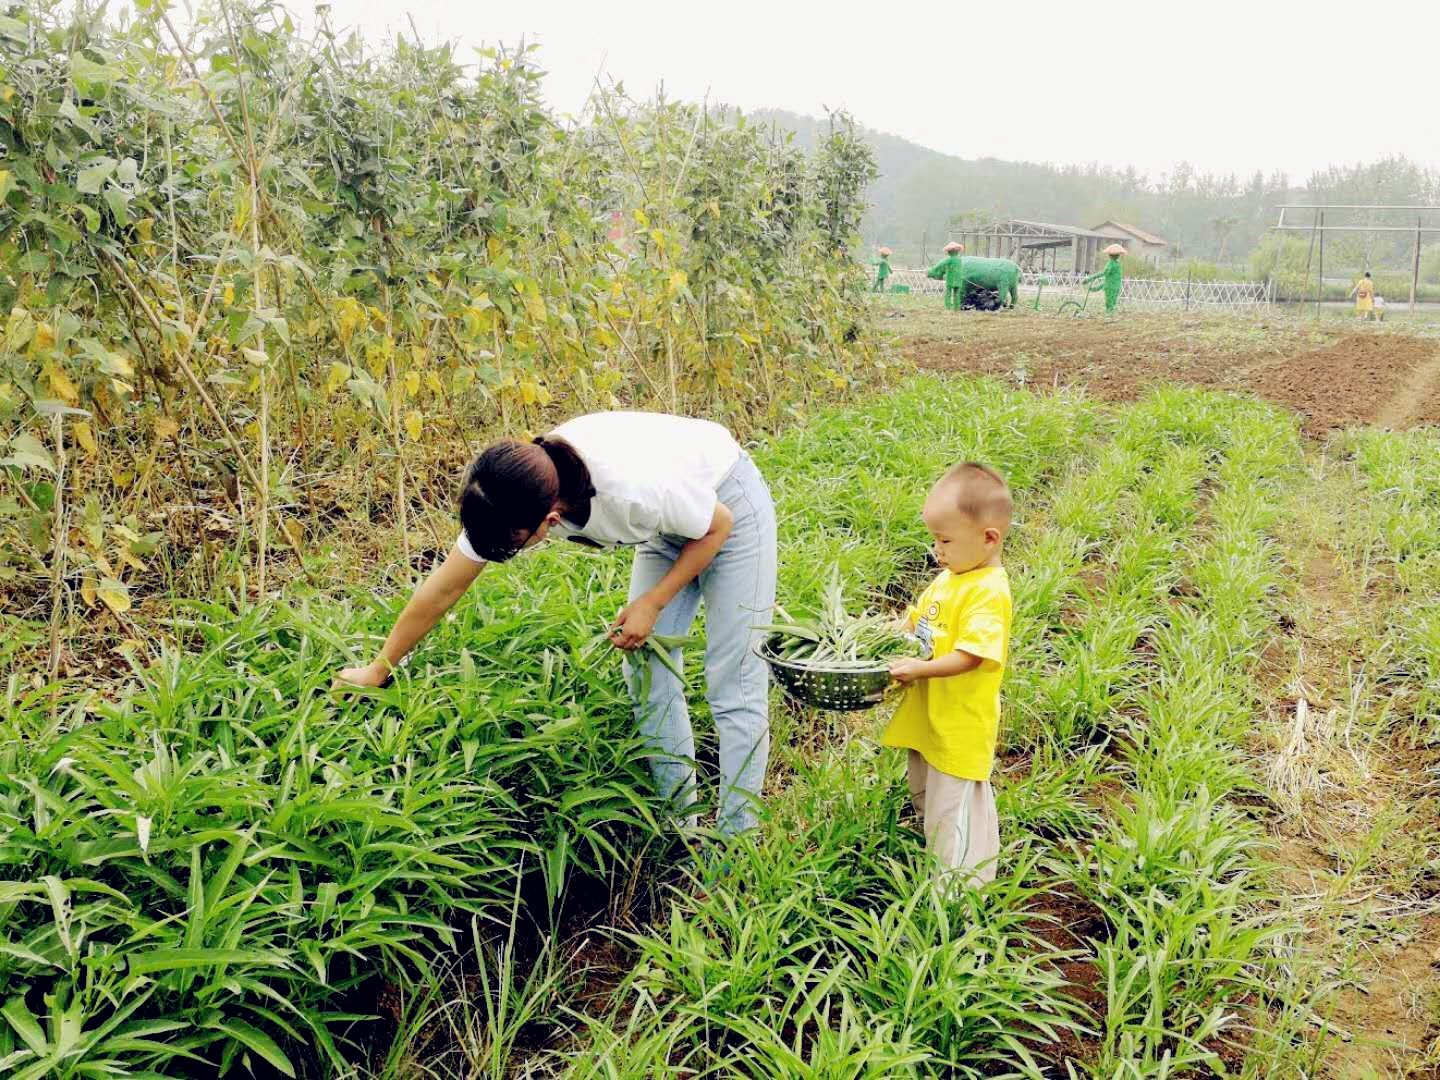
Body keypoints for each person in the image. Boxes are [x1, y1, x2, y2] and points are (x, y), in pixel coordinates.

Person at [335, 412, 778, 837]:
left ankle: (733, 847)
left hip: (726, 503)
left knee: (734, 683)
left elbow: (716, 526)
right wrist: (379, 667)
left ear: (550, 521)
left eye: (516, 545)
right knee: (645, 669)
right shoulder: (510, 494)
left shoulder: (626, 492)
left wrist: (653, 602)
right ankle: (681, 826)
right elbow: (442, 591)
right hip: (667, 522)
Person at [881, 462, 1013, 886]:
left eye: (945, 540)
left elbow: (972, 655)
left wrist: (921, 668)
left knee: (954, 810)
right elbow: (916, 622)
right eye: (935, 539)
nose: (937, 550)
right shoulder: (948, 578)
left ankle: (959, 894)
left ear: (988, 538)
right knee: (929, 800)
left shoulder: (988, 591)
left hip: (958, 725)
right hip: (929, 720)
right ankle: (938, 864)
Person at [1084, 243, 1126, 313]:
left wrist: (1089, 279)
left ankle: (1108, 316)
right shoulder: (1118, 265)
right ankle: (1110, 316)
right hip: (1116, 287)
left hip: (1110, 287)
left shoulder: (1111, 264)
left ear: (1109, 256)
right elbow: (1111, 278)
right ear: (1118, 256)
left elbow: (1103, 273)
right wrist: (1095, 287)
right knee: (1112, 303)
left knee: (1109, 304)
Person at [926, 241, 967, 310]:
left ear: (949, 251)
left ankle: (948, 307)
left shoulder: (948, 260)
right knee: (957, 294)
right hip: (958, 280)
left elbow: (939, 266)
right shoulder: (959, 260)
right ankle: (956, 308)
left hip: (950, 280)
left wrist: (930, 271)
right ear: (957, 251)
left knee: (948, 294)